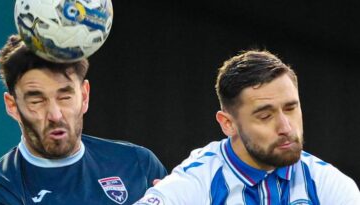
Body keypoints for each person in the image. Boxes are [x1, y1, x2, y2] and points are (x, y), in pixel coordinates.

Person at [134, 50, 360, 204]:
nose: (285, 126)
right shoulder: (196, 182)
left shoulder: (329, 184)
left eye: (290, 108)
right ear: (228, 124)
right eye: (265, 116)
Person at [0, 35, 167, 205]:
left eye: (65, 97)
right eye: (37, 101)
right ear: (12, 106)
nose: (55, 115)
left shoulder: (138, 165)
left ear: (85, 96)